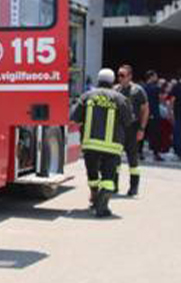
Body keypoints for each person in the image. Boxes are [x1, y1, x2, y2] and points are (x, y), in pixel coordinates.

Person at [70, 68, 133, 217]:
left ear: (98, 80)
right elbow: (128, 121)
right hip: (112, 146)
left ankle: (94, 196)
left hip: (90, 144)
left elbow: (74, 117)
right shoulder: (120, 99)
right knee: (108, 177)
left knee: (92, 174)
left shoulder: (87, 96)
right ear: (112, 82)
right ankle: (103, 205)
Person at [115, 64, 148, 196]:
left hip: (133, 129)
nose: (119, 78)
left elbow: (145, 110)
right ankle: (113, 185)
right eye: (118, 75)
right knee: (115, 159)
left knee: (133, 160)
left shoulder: (138, 91)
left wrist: (142, 129)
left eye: (122, 75)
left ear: (130, 76)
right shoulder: (116, 90)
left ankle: (134, 187)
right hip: (118, 129)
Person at [143, 70, 164, 162]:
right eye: (155, 76)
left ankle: (139, 153)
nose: (157, 77)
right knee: (155, 135)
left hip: (144, 113)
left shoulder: (142, 88)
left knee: (143, 132)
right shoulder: (156, 88)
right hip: (154, 113)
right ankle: (156, 154)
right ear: (151, 77)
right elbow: (160, 99)